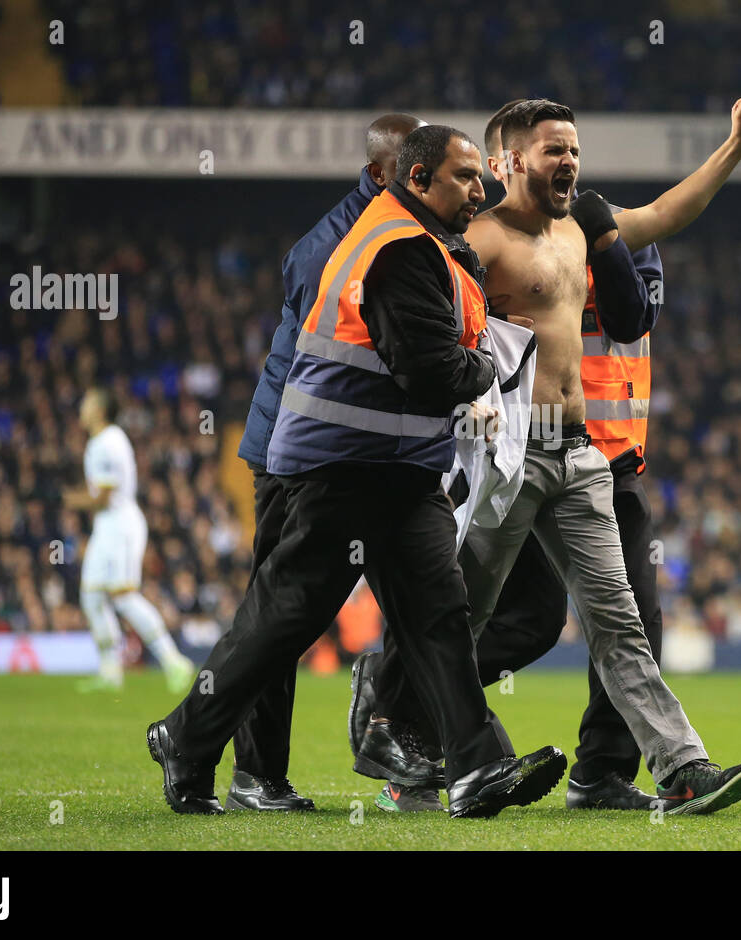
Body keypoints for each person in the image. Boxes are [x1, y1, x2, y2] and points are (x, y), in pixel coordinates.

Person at [355, 95, 741, 812]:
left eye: (574, 149)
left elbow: (669, 213)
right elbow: (421, 331)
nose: (569, 161)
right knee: (464, 620)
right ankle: (406, 746)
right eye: (554, 149)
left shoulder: (580, 231)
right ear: (509, 161)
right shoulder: (477, 244)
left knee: (621, 623)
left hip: (579, 457)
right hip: (507, 456)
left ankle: (681, 767)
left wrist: (734, 148)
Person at [147, 124, 567, 819]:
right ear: (418, 178)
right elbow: (428, 369)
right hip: (338, 461)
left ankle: (474, 769)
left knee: (439, 613)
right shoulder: (398, 248)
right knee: (288, 613)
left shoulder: (411, 237)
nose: (481, 189)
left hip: (398, 468)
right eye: (465, 177)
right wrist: (488, 365)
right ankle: (187, 736)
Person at [227, 113, 427, 812]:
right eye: (417, 166)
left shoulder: (394, 231)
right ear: (381, 175)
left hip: (362, 454)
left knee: (421, 604)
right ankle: (250, 771)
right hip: (300, 453)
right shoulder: (332, 248)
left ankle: (421, 759)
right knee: (282, 613)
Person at [63, 389, 195, 694]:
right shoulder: (99, 441)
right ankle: (110, 673)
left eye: (87, 402)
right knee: (92, 596)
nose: (81, 407)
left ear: (99, 409)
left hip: (121, 526)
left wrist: (70, 499)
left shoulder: (109, 441)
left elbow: (105, 496)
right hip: (106, 527)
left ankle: (174, 661)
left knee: (123, 596)